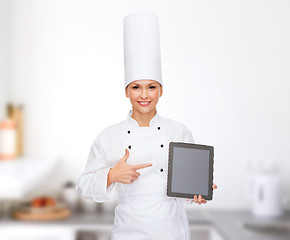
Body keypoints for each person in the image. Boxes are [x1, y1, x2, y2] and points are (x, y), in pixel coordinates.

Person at [76, 13, 217, 240]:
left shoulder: (179, 131)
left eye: (151, 87)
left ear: (161, 90)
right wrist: (111, 175)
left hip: (172, 230)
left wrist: (197, 192)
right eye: (136, 87)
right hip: (128, 231)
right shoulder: (109, 136)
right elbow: (83, 186)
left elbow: (186, 188)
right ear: (126, 91)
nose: (144, 95)